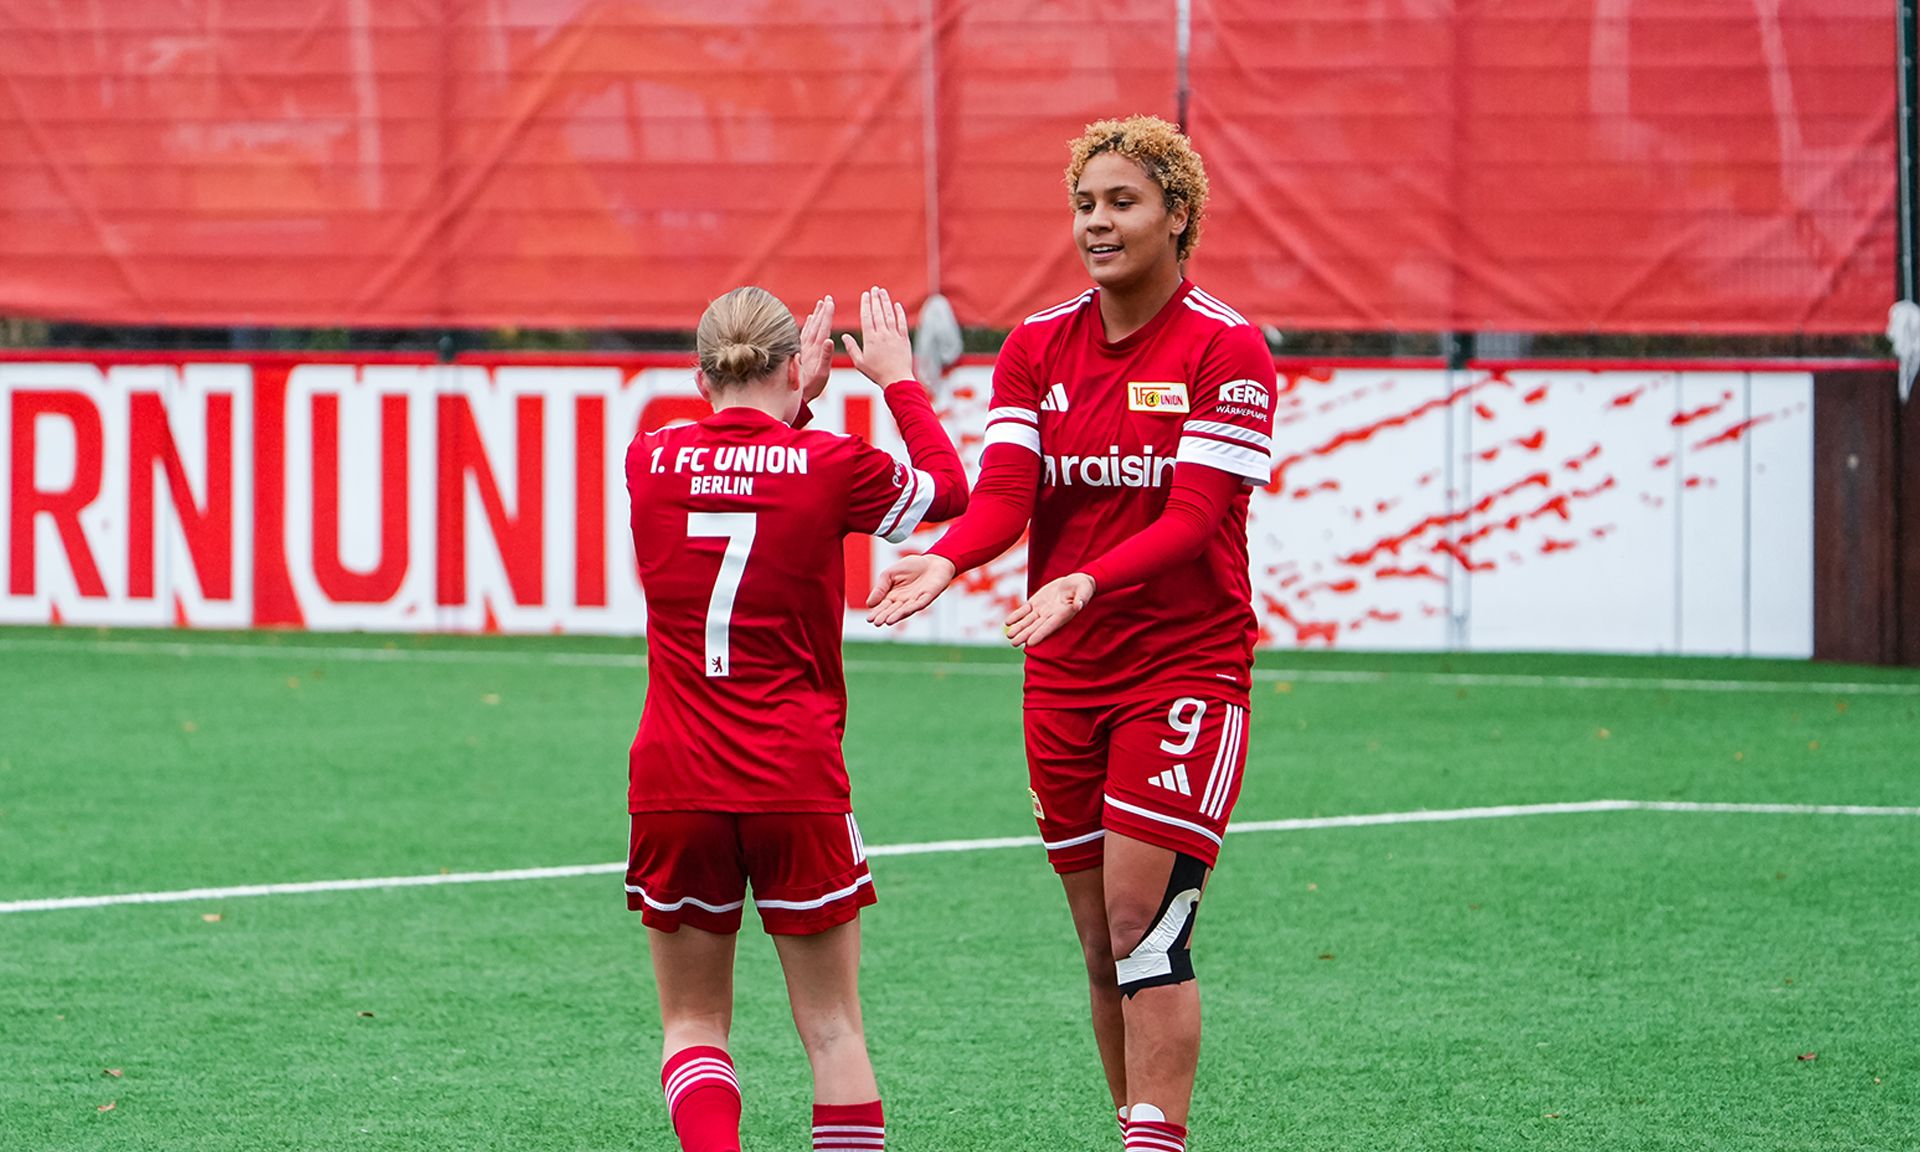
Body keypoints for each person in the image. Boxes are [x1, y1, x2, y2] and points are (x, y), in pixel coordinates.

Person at [867, 116, 1276, 1152]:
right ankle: (1129, 1129)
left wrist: (1088, 577)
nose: (1098, 222)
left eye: (1123, 202)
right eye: (1086, 203)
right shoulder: (1036, 347)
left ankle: (1155, 1141)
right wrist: (950, 559)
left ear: (1178, 215)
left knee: (1148, 930)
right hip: (1063, 674)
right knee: (1100, 947)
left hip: (1183, 669)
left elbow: (1191, 522)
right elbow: (1005, 496)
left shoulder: (1226, 347)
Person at [626, 286, 967, 1152]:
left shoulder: (648, 458)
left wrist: (793, 403)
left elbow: (738, 470)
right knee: (833, 1032)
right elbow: (950, 495)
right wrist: (896, 381)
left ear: (701, 375)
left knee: (695, 1025)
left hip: (675, 780)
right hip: (794, 777)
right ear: (791, 363)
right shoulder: (830, 464)